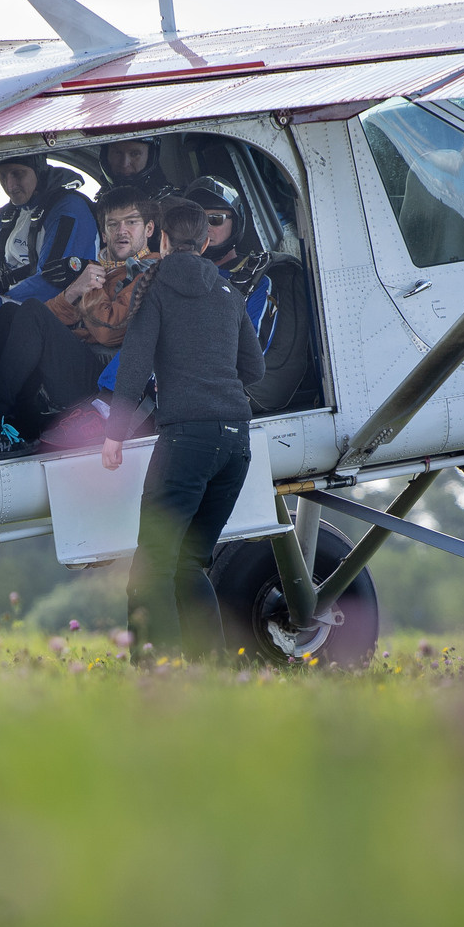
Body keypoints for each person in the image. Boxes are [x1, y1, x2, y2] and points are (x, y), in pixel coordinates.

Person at [101, 197, 264, 660]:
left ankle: (155, 678)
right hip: (236, 443)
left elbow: (133, 368)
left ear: (164, 241)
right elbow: (254, 369)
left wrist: (114, 434)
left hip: (187, 441)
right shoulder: (229, 292)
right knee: (189, 565)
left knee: (151, 568)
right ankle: (211, 673)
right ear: (207, 241)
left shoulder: (154, 291)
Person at [0, 185, 158, 453]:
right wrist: (73, 291)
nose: (122, 231)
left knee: (32, 311)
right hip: (81, 362)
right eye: (113, 224)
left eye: (131, 222)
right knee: (9, 315)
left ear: (149, 229)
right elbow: (45, 319)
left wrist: (91, 289)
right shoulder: (99, 270)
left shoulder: (151, 274)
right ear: (104, 233)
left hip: (106, 383)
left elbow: (110, 331)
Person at [0, 157, 98, 382]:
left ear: (38, 171)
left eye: (18, 174)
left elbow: (52, 281)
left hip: (51, 306)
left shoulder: (68, 209)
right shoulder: (8, 215)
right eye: (2, 175)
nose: (10, 185)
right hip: (7, 298)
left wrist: (0, 301)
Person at [185, 175, 317, 415]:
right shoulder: (174, 274)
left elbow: (247, 356)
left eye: (215, 219)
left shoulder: (256, 283)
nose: (204, 229)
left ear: (236, 222)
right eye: (196, 220)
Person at [98, 137, 175, 200]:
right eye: (117, 153)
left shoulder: (175, 207)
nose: (124, 164)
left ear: (150, 157)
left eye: (135, 154)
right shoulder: (96, 207)